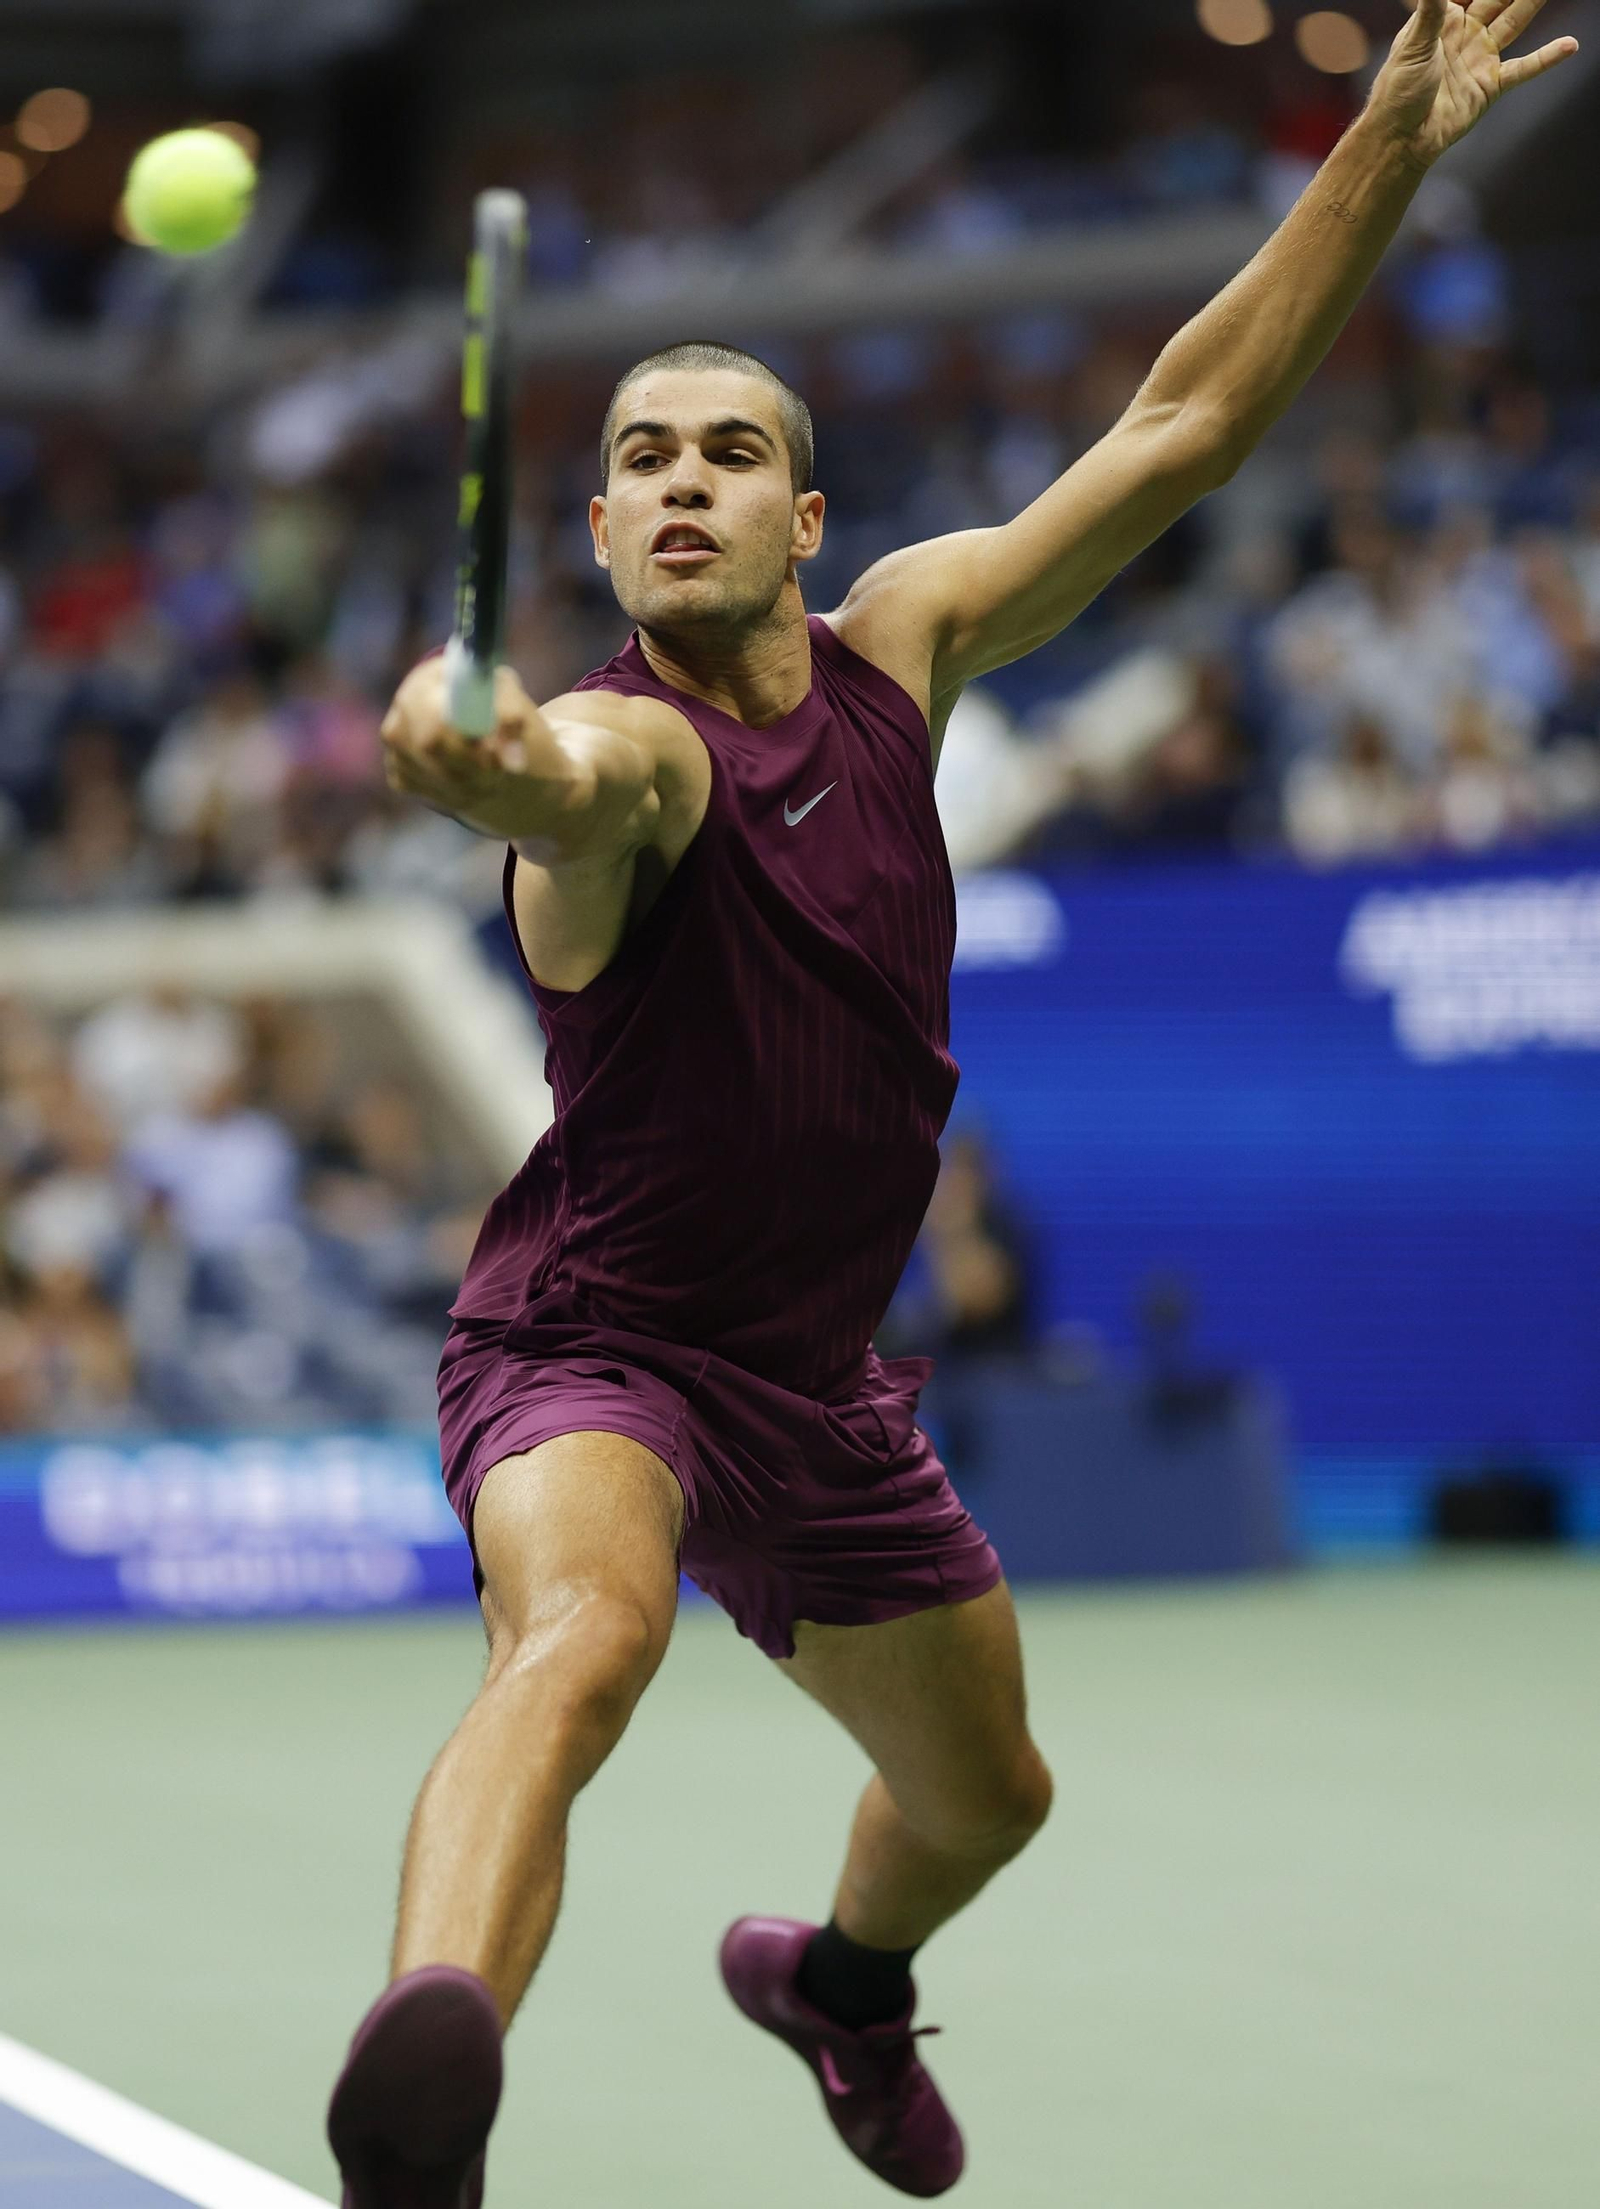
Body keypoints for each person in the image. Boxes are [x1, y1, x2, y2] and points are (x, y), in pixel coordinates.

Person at [327, 10, 1576, 2202]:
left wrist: (1379, 139)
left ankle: (835, 1984)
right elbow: (556, 783)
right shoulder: (619, 762)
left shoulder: (905, 647)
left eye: (730, 448)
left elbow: (1181, 424)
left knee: (989, 1793)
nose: (684, 476)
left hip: (810, 1382)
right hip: (589, 1349)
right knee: (583, 1633)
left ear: (804, 517)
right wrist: (476, 757)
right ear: (603, 526)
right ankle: (427, 2084)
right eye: (642, 453)